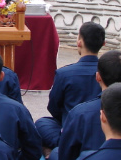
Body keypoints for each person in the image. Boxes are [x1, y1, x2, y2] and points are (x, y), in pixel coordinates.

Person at [35, 21, 105, 149]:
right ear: (103, 44)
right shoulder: (109, 72)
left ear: (79, 42)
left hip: (72, 130)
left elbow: (54, 107)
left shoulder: (64, 74)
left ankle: (58, 150)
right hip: (102, 129)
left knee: (41, 124)